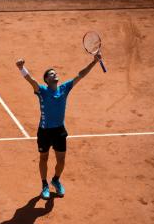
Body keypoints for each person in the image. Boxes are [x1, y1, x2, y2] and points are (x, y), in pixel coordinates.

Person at [16, 54, 101, 199]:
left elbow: (80, 75)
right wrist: (21, 68)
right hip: (44, 131)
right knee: (44, 158)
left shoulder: (64, 88)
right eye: (51, 74)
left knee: (61, 160)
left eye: (55, 73)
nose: (54, 74)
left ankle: (55, 179)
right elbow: (31, 80)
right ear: (47, 80)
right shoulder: (42, 91)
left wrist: (94, 62)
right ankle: (44, 185)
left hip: (59, 131)